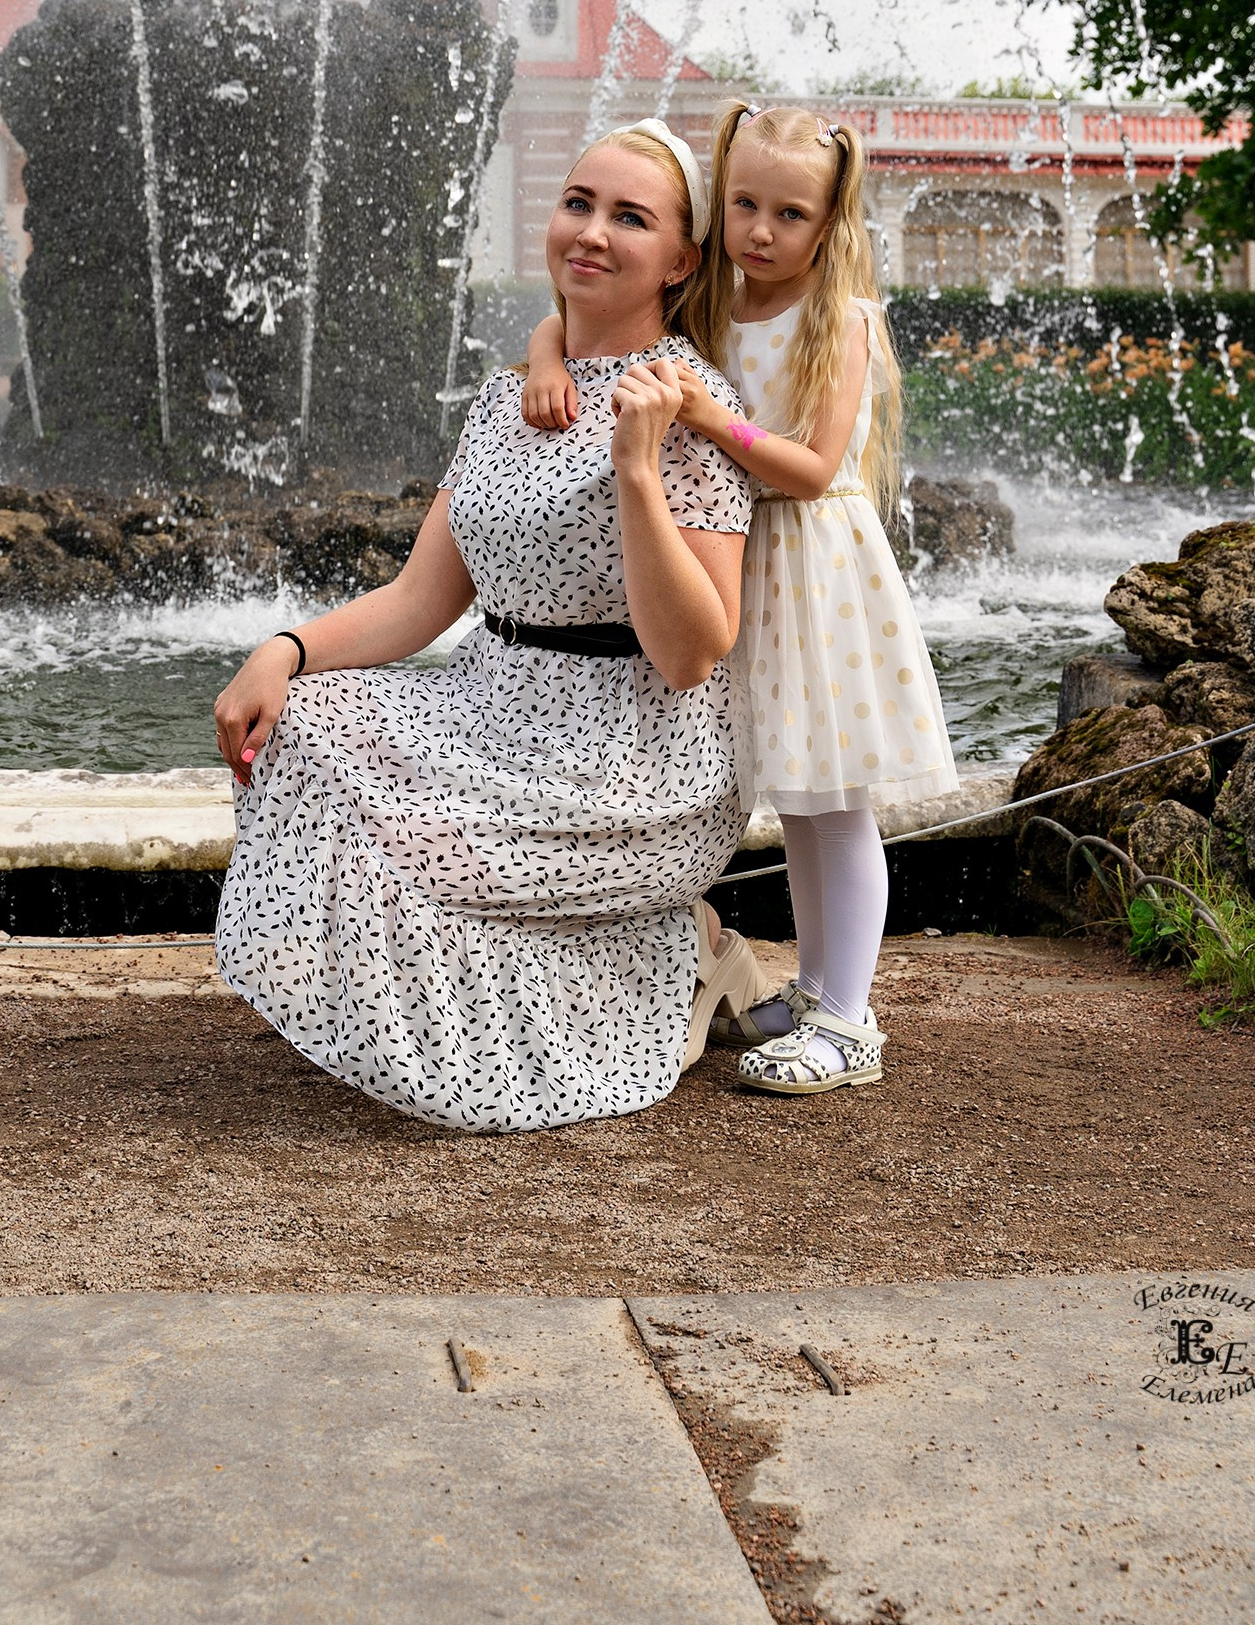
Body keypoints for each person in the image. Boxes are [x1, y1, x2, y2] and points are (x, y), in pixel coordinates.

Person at [211, 118, 773, 1133]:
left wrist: (636, 470)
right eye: (578, 205)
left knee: (420, 845)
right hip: (494, 711)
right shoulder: (500, 401)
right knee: (300, 726)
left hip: (630, 754)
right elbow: (420, 603)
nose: (591, 233)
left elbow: (693, 654)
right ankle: (646, 950)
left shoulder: (689, 410)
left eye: (629, 218)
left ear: (681, 260)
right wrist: (280, 653)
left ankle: (667, 949)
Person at [524, 99, 956, 1092]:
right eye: (744, 205)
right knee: (792, 798)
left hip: (810, 566)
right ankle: (813, 985)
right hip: (740, 561)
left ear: (829, 222)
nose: (760, 232)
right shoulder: (714, 300)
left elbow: (805, 469)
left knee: (832, 801)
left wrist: (710, 418)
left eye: (789, 215)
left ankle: (849, 1020)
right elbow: (566, 315)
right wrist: (547, 361)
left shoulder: (837, 318)